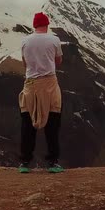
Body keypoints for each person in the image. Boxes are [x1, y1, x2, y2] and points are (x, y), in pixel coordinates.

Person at [17, 12, 64, 174]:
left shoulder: (25, 41)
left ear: (34, 25)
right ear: (47, 24)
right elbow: (58, 61)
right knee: (52, 123)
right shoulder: (54, 40)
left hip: (30, 84)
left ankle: (24, 162)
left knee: (27, 124)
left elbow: (25, 63)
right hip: (49, 84)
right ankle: (52, 162)